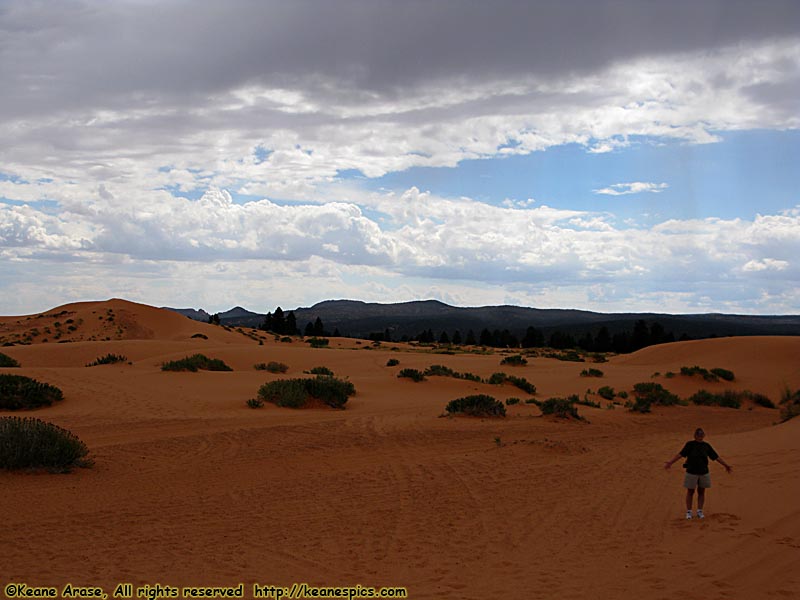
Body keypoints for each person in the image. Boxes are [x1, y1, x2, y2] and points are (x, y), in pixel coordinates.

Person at [664, 427, 732, 519]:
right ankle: (689, 512)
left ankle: (700, 511)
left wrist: (726, 465)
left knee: (701, 491)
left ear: (703, 435)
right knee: (690, 491)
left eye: (701, 434)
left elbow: (715, 457)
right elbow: (680, 454)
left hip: (703, 472)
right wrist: (670, 462)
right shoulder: (690, 445)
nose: (700, 436)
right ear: (695, 435)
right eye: (698, 434)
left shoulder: (706, 446)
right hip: (691, 472)